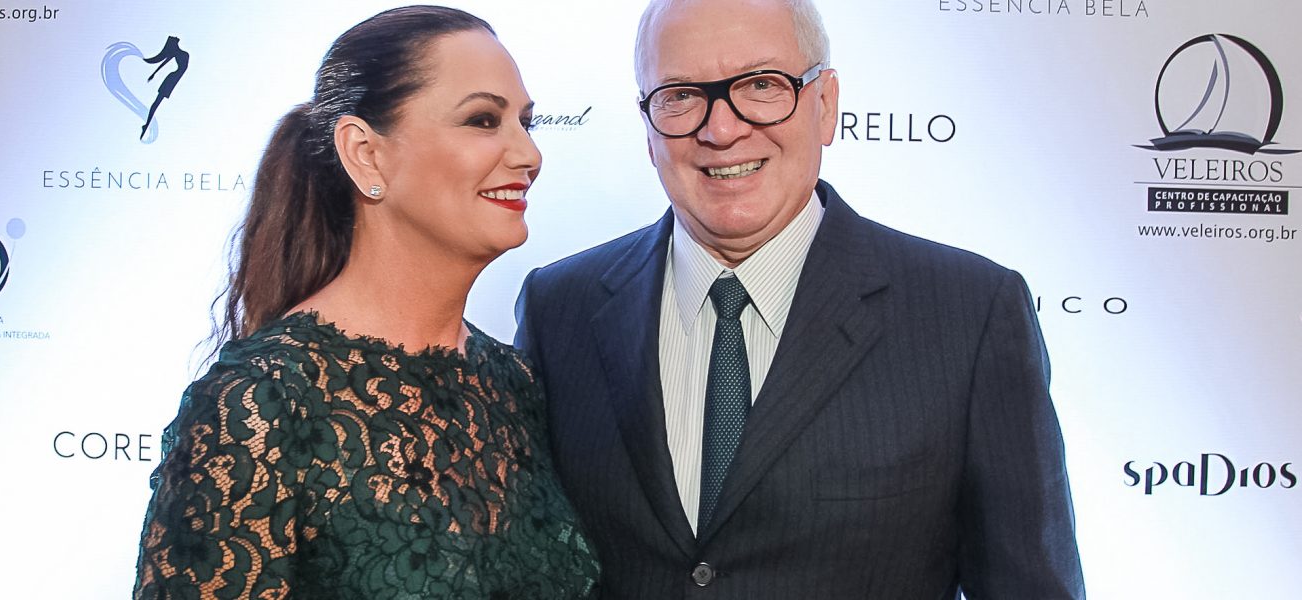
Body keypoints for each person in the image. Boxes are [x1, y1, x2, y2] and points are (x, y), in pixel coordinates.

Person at [513, 0, 1085, 597]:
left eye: (762, 85)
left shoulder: (968, 315)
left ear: (826, 104)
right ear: (648, 125)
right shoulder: (560, 308)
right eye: (680, 95)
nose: (721, 129)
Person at [133, 6, 599, 599]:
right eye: (483, 120)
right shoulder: (262, 401)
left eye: (526, 123)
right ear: (365, 153)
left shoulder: (512, 384)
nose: (528, 154)